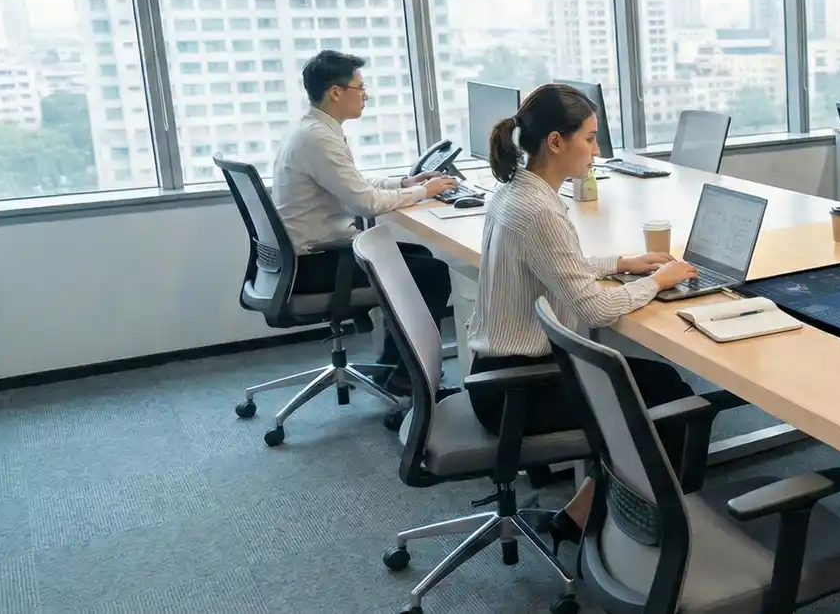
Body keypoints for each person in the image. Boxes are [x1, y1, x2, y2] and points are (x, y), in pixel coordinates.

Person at [469, 83, 700, 554]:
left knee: (656, 384)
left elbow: (553, 264)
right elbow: (591, 308)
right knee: (668, 402)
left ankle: (580, 517)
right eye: (590, 139)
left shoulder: (516, 190)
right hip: (519, 391)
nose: (596, 150)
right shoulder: (539, 210)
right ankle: (645, 539)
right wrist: (658, 282)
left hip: (501, 376)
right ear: (556, 141)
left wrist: (620, 263)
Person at [272, 50, 459, 394]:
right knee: (431, 275)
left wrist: (406, 184)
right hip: (316, 263)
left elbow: (355, 183)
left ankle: (392, 366)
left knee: (421, 258)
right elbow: (366, 202)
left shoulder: (315, 130)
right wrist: (426, 191)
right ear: (336, 92)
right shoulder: (318, 138)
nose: (365, 96)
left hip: (312, 255)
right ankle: (405, 377)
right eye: (360, 88)